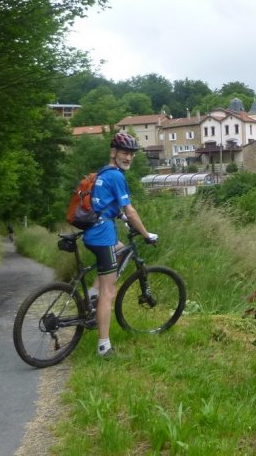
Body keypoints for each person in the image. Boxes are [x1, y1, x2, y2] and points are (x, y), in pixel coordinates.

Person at [83, 132, 157, 358]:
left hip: (94, 232)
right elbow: (130, 210)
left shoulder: (103, 174)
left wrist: (122, 219)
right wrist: (146, 235)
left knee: (121, 249)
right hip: (102, 235)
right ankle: (104, 347)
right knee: (110, 291)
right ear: (113, 153)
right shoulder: (116, 176)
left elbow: (104, 204)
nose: (129, 158)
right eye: (124, 153)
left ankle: (91, 296)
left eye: (131, 154)